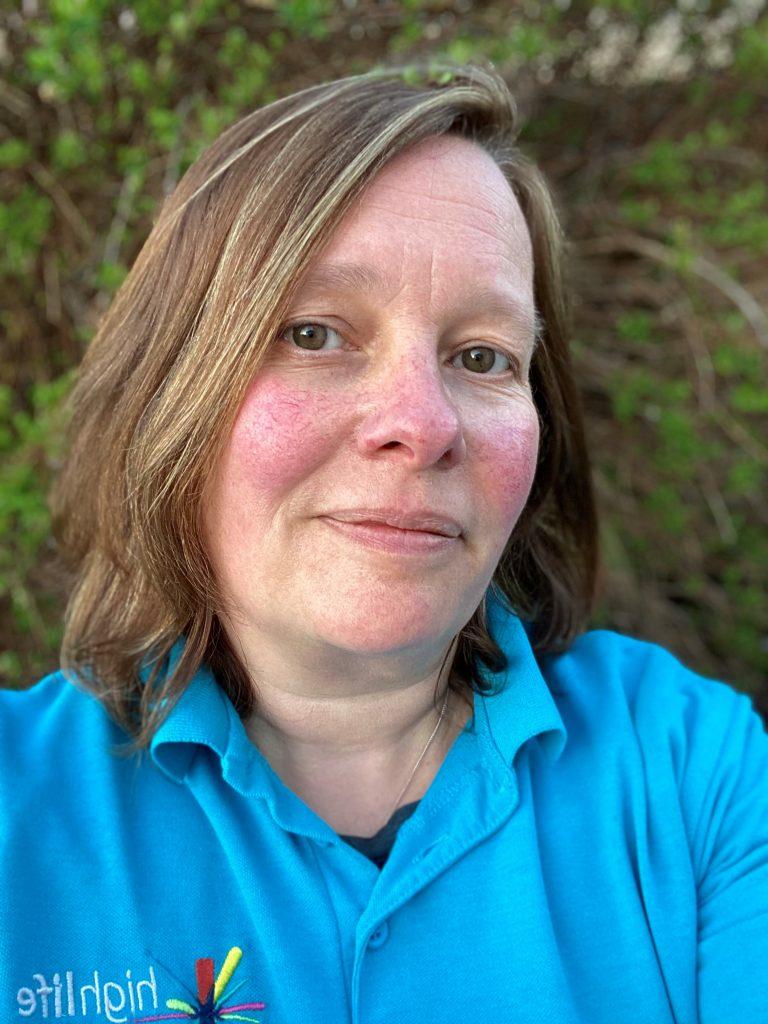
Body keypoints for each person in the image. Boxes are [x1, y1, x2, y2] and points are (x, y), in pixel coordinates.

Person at [1, 62, 766, 1024]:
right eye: (316, 333)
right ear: (175, 392)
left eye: (483, 356)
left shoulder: (690, 771)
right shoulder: (17, 813)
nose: (422, 421)